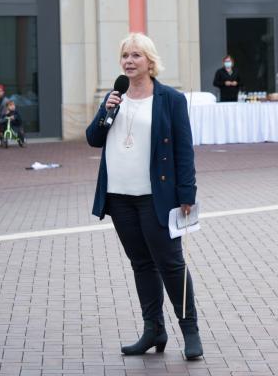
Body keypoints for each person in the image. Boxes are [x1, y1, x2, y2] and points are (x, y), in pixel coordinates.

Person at [86, 32, 203, 359]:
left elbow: (184, 150)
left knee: (171, 264)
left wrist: (187, 193)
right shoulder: (115, 97)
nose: (129, 61)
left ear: (150, 61)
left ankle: (190, 330)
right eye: (125, 55)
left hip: (157, 198)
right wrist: (105, 111)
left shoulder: (170, 99)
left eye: (136, 55)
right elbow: (94, 139)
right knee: (141, 264)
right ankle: (154, 329)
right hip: (119, 196)